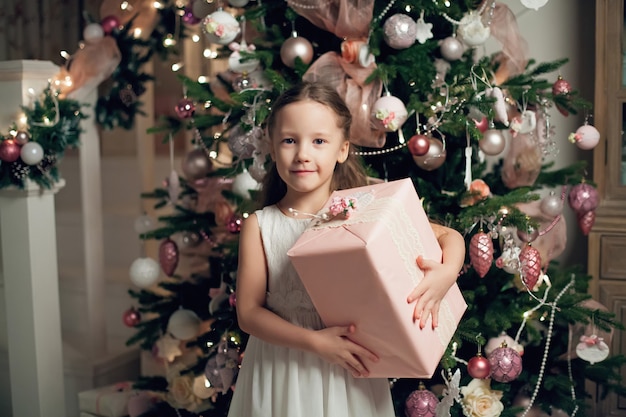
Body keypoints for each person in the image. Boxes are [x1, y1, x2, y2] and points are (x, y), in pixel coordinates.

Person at [228, 82, 466, 417]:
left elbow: (449, 237)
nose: (303, 154)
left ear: (342, 149)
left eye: (319, 141)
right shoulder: (261, 225)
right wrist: (315, 342)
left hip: (349, 369)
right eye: (289, 140)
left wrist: (447, 271)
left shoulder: (364, 207)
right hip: (283, 366)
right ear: (272, 147)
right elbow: (249, 314)